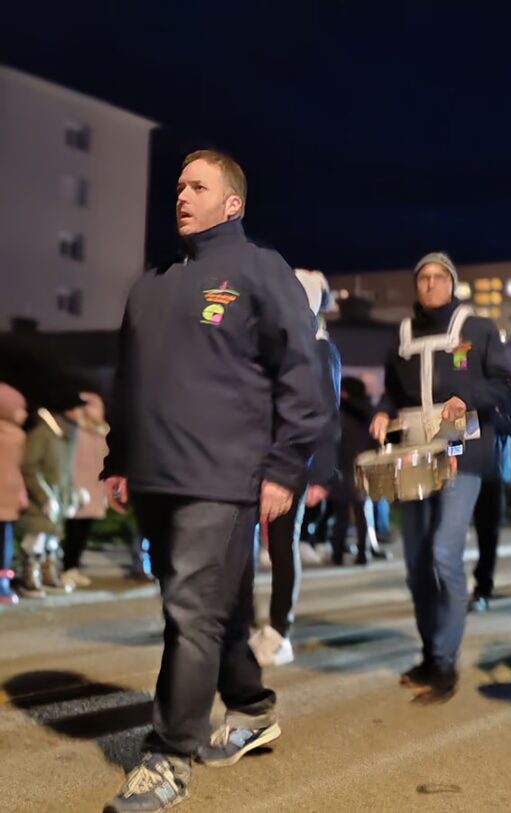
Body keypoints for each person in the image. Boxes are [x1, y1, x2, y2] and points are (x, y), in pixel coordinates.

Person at [102, 149, 327, 813]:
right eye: (178, 185)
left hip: (223, 478)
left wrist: (287, 467)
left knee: (190, 614)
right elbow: (129, 381)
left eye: (198, 185)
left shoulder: (260, 270)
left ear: (233, 203)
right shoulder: (151, 286)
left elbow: (302, 374)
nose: (183, 194)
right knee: (212, 607)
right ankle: (252, 707)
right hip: (154, 478)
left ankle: (169, 757)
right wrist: (118, 458)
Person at [371, 252, 511, 703]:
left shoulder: (479, 328)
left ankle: (444, 662)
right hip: (415, 449)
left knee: (443, 552)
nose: (431, 283)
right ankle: (430, 652)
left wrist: (465, 394)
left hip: (462, 444)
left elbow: (508, 385)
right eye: (423, 277)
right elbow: (391, 392)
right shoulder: (403, 334)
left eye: (440, 277)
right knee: (416, 562)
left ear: (452, 284)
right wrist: (381, 413)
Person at [249, 269, 340, 668]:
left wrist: (321, 474)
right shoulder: (281, 346)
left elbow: (326, 416)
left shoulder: (319, 349)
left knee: (283, 546)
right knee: (255, 546)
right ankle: (254, 625)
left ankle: (278, 630)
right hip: (261, 456)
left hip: (295, 463)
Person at [18, 401, 83, 598]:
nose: (81, 413)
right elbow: (30, 467)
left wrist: (71, 497)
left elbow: (67, 472)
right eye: (77, 407)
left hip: (58, 499)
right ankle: (29, 577)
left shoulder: (67, 434)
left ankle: (48, 575)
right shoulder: (44, 432)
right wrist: (44, 495)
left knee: (51, 542)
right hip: (42, 500)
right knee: (36, 539)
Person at [470, 392, 511, 612]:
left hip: (493, 470)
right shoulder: (464, 383)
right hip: (462, 468)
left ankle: (483, 586)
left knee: (488, 532)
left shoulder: (509, 388)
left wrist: (490, 413)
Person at [61, 391, 109, 589]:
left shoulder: (103, 431)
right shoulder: (75, 429)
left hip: (95, 488)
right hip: (76, 488)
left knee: (83, 531)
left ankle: (73, 568)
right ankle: (66, 569)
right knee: (72, 529)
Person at [331, 376, 377, 565]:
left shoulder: (340, 412)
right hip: (365, 465)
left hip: (343, 466)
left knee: (341, 512)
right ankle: (363, 553)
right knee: (362, 512)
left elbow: (334, 441)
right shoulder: (369, 411)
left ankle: (338, 554)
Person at [0, 383, 28, 604]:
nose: (24, 413)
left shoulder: (19, 436)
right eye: (19, 408)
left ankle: (3, 583)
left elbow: (20, 467)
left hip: (8, 499)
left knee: (5, 542)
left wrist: (21, 491)